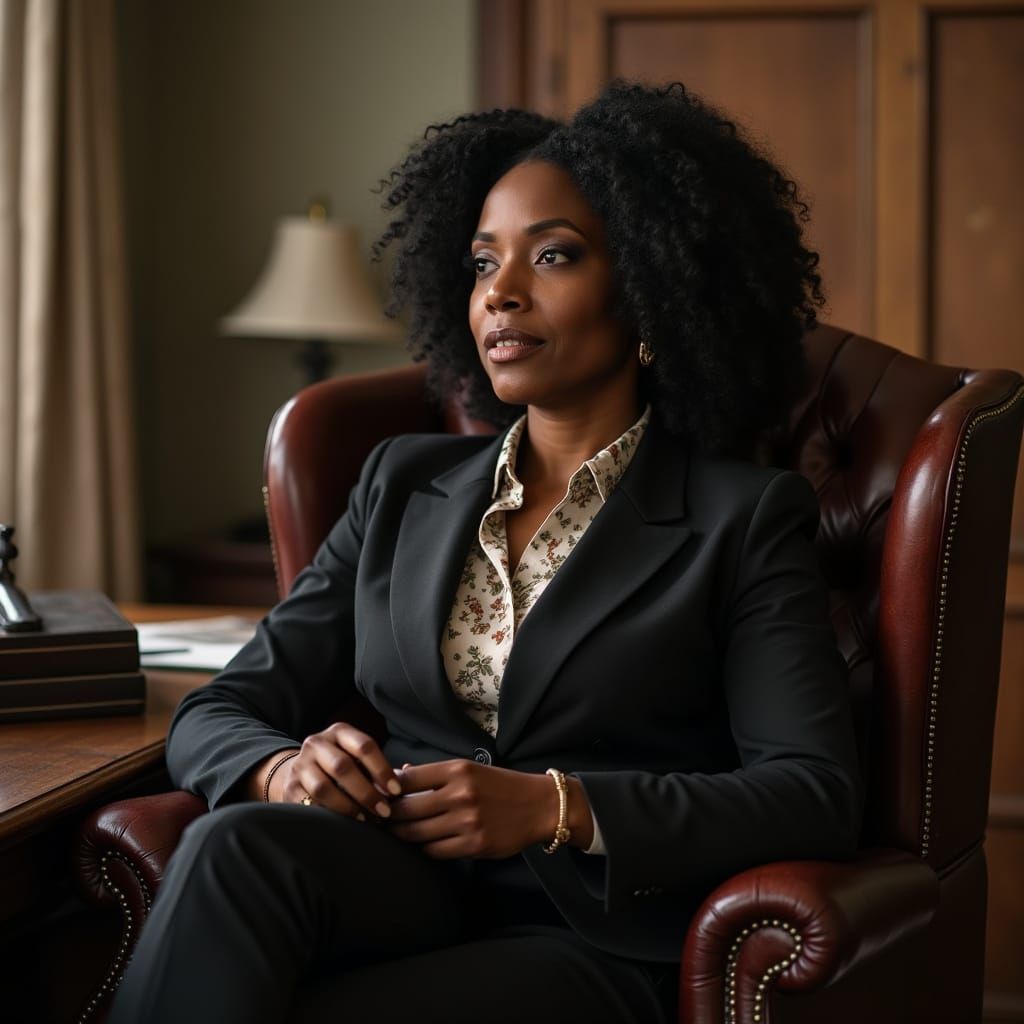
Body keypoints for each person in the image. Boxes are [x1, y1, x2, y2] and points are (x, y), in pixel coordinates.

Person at [108, 81, 861, 1024]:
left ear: (654, 294)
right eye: (480, 263)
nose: (500, 292)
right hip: (396, 886)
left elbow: (812, 792)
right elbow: (222, 709)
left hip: (586, 934)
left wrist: (555, 808)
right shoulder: (401, 483)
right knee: (232, 848)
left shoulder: (741, 518)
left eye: (553, 256)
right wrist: (281, 771)